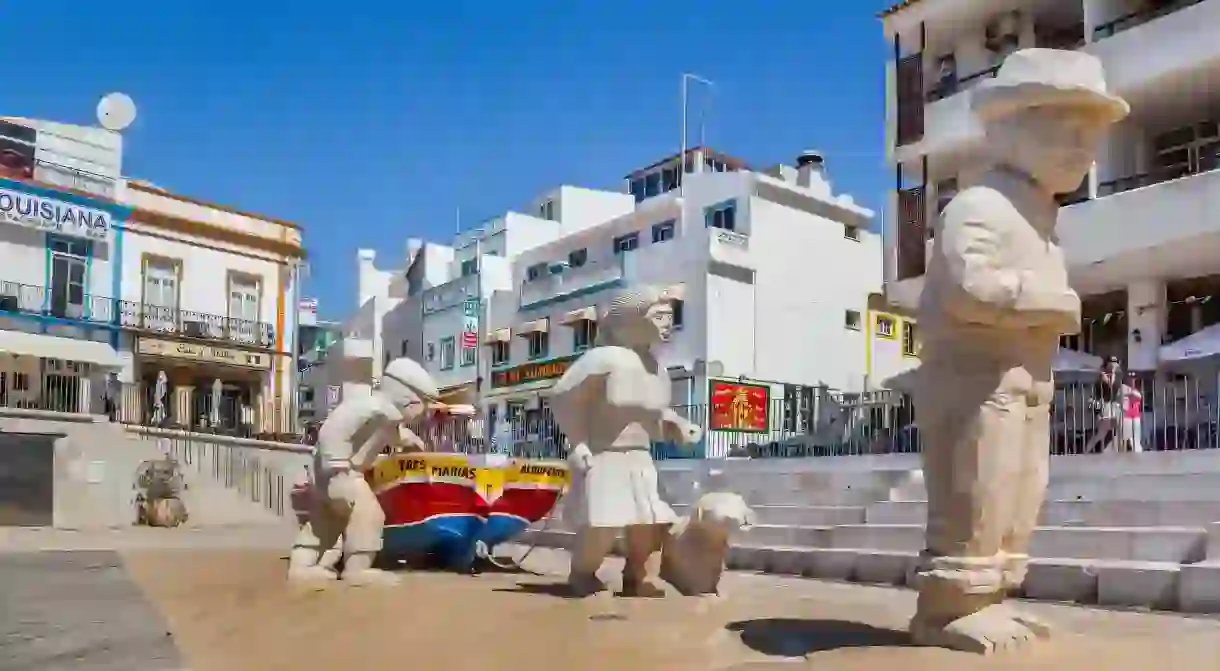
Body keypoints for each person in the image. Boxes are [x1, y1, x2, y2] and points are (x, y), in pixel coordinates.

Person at [906, 48, 1128, 654]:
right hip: (975, 384)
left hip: (1026, 387)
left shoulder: (1039, 219)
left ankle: (991, 599)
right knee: (975, 495)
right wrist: (1049, 303)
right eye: (1066, 129)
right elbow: (968, 288)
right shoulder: (979, 207)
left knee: (1016, 499)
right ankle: (947, 610)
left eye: (1091, 135)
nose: (1083, 148)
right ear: (1007, 126)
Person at [549, 286, 703, 597]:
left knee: (650, 525)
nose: (667, 324)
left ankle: (637, 576)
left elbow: (653, 415)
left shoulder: (657, 369)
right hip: (605, 454)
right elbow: (562, 397)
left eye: (670, 317)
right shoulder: (603, 358)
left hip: (640, 456)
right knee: (601, 526)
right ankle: (583, 574)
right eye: (658, 316)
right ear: (631, 319)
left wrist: (674, 424)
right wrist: (577, 443)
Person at [1084, 357, 1122, 454]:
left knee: (1115, 431)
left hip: (1113, 406)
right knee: (1101, 433)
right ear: (1107, 364)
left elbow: (1116, 391)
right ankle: (1087, 450)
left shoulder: (1116, 376)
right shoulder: (1103, 376)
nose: (1114, 364)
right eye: (1112, 362)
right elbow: (1109, 387)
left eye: (1115, 362)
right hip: (1104, 406)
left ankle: (1111, 451)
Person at [1120, 371, 1144, 453]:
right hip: (1127, 417)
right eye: (1130, 379)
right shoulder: (1123, 388)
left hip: (1136, 417)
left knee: (1136, 437)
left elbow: (1138, 397)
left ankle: (1137, 452)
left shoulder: (1136, 390)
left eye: (1133, 379)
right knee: (1126, 437)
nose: (1132, 380)